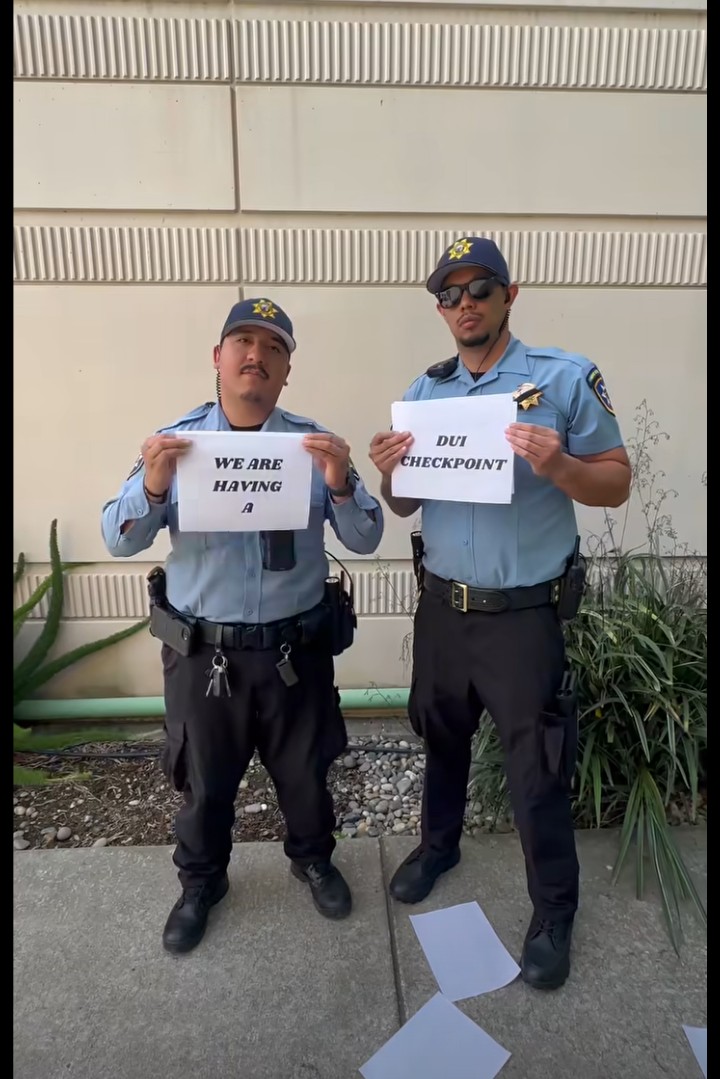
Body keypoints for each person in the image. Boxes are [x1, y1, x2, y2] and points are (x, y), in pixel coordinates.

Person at [369, 237, 630, 990]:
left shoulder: (564, 378)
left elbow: (615, 482)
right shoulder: (426, 391)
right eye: (448, 295)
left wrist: (560, 466)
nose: (464, 304)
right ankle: (439, 844)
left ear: (509, 293)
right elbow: (405, 503)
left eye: (479, 287)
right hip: (445, 609)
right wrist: (391, 475)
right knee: (441, 736)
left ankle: (554, 912)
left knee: (537, 769)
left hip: (522, 616)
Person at [101, 297, 384, 954]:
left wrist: (341, 483)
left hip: (294, 653)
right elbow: (117, 537)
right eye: (243, 343)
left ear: (286, 370)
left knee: (307, 771)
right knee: (204, 781)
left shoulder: (313, 445)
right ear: (219, 358)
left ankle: (313, 858)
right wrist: (149, 485)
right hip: (206, 656)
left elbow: (367, 536)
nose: (255, 356)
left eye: (273, 347)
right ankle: (202, 881)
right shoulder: (176, 444)